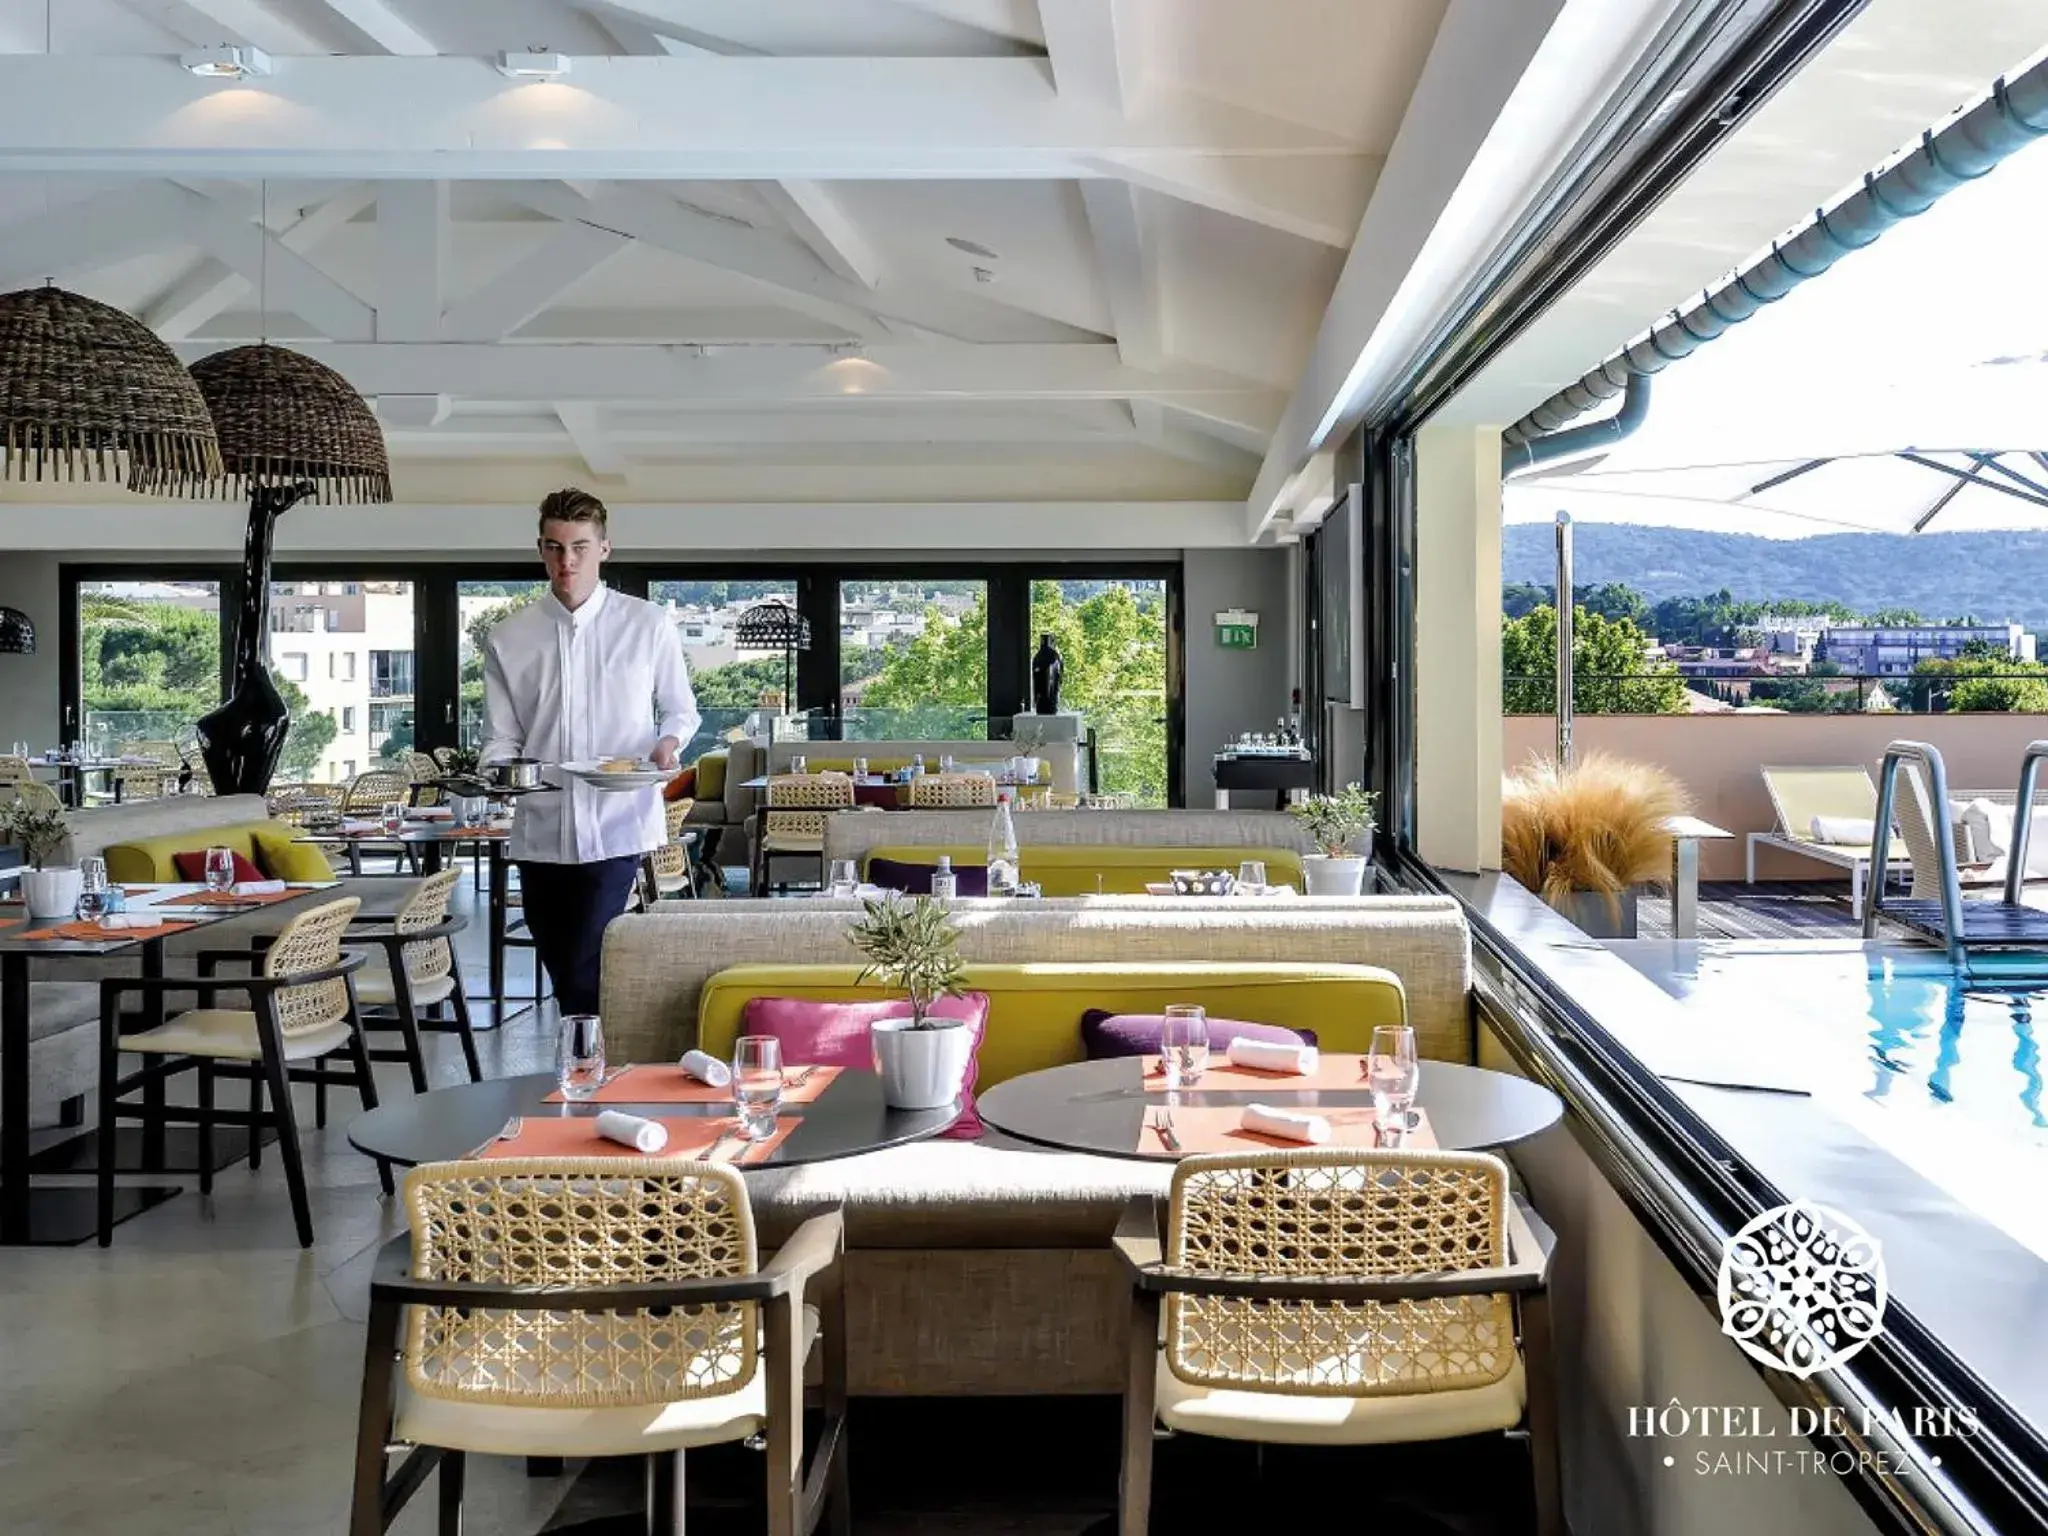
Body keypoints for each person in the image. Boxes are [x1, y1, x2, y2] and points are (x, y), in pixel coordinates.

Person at [479, 488, 700, 1016]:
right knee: (561, 959)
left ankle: (587, 1068)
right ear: (540, 549)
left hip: (618, 821)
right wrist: (497, 771)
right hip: (541, 828)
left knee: (586, 960)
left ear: (604, 548)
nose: (567, 561)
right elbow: (502, 739)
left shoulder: (647, 625)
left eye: (579, 545)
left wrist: (668, 743)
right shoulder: (509, 638)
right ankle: (593, 1060)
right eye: (555, 547)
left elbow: (680, 710)